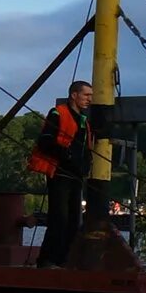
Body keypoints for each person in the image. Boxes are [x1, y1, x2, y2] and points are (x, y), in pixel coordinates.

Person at [28, 79, 94, 266]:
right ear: (74, 95)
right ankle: (48, 259)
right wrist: (67, 155)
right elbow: (46, 141)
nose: (89, 99)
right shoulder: (58, 113)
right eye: (86, 95)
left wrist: (84, 165)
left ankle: (64, 260)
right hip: (59, 173)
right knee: (59, 218)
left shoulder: (83, 120)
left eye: (91, 96)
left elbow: (85, 148)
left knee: (74, 220)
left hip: (75, 175)